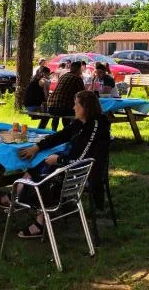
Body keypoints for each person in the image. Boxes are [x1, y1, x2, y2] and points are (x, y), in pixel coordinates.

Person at [16, 90, 111, 238]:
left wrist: (59, 160)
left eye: (76, 104)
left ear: (85, 107)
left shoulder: (96, 127)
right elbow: (61, 135)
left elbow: (84, 158)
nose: (73, 108)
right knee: (41, 164)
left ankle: (36, 218)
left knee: (45, 171)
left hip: (85, 173)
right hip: (75, 166)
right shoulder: (82, 123)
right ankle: (18, 196)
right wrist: (37, 147)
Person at [47, 61, 85, 130]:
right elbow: (84, 94)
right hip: (62, 108)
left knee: (67, 106)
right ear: (79, 69)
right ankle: (75, 132)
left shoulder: (63, 76)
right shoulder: (77, 78)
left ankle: (63, 130)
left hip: (50, 107)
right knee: (79, 111)